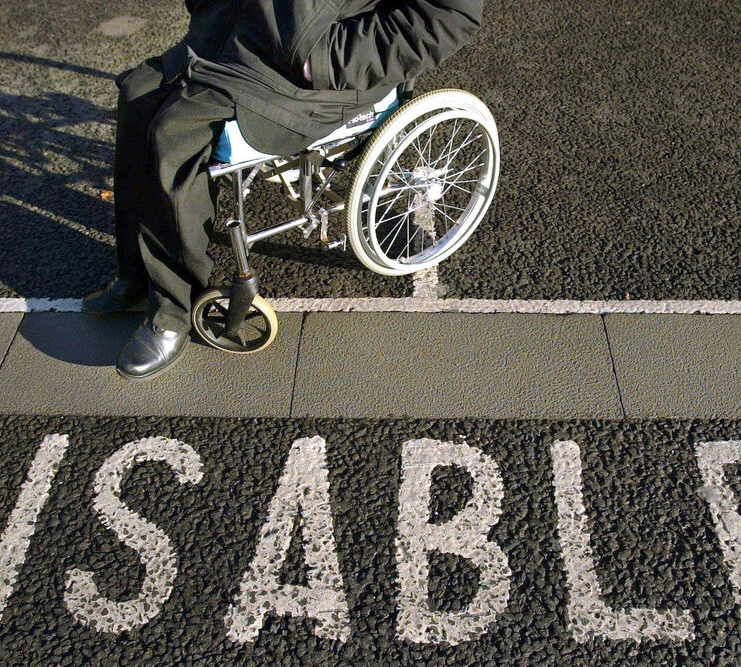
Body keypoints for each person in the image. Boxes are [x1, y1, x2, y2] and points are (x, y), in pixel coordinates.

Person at [84, 0, 485, 381]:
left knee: (175, 133)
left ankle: (173, 311)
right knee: (137, 93)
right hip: (236, 39)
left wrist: (323, 60)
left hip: (312, 78)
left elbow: (448, 14)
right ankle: (136, 272)